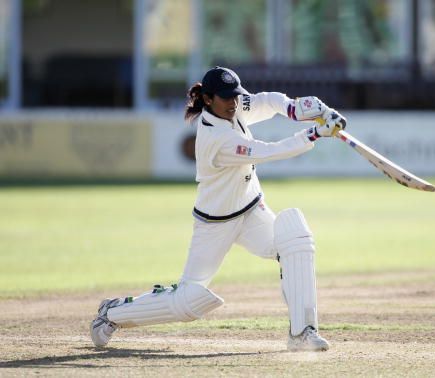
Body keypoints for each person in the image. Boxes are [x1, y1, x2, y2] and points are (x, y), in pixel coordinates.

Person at [90, 66, 346, 352]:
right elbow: (266, 151)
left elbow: (268, 101)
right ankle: (112, 313)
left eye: (236, 96)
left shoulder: (232, 105)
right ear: (208, 100)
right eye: (226, 98)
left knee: (295, 240)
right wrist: (314, 133)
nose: (234, 103)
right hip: (216, 223)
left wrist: (299, 108)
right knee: (187, 301)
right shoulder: (215, 139)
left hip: (251, 211)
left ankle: (302, 333)